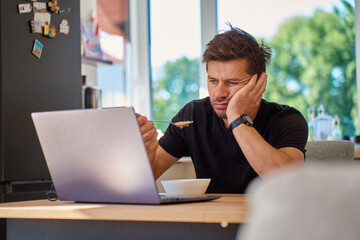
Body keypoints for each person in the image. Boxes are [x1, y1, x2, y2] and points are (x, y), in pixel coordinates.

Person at [137, 25, 308, 193]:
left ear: (259, 83)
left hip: (269, 219)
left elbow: (288, 180)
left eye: (232, 82)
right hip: (211, 218)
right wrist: (149, 152)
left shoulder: (286, 119)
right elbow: (150, 173)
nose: (219, 93)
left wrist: (237, 117)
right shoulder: (192, 115)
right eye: (213, 81)